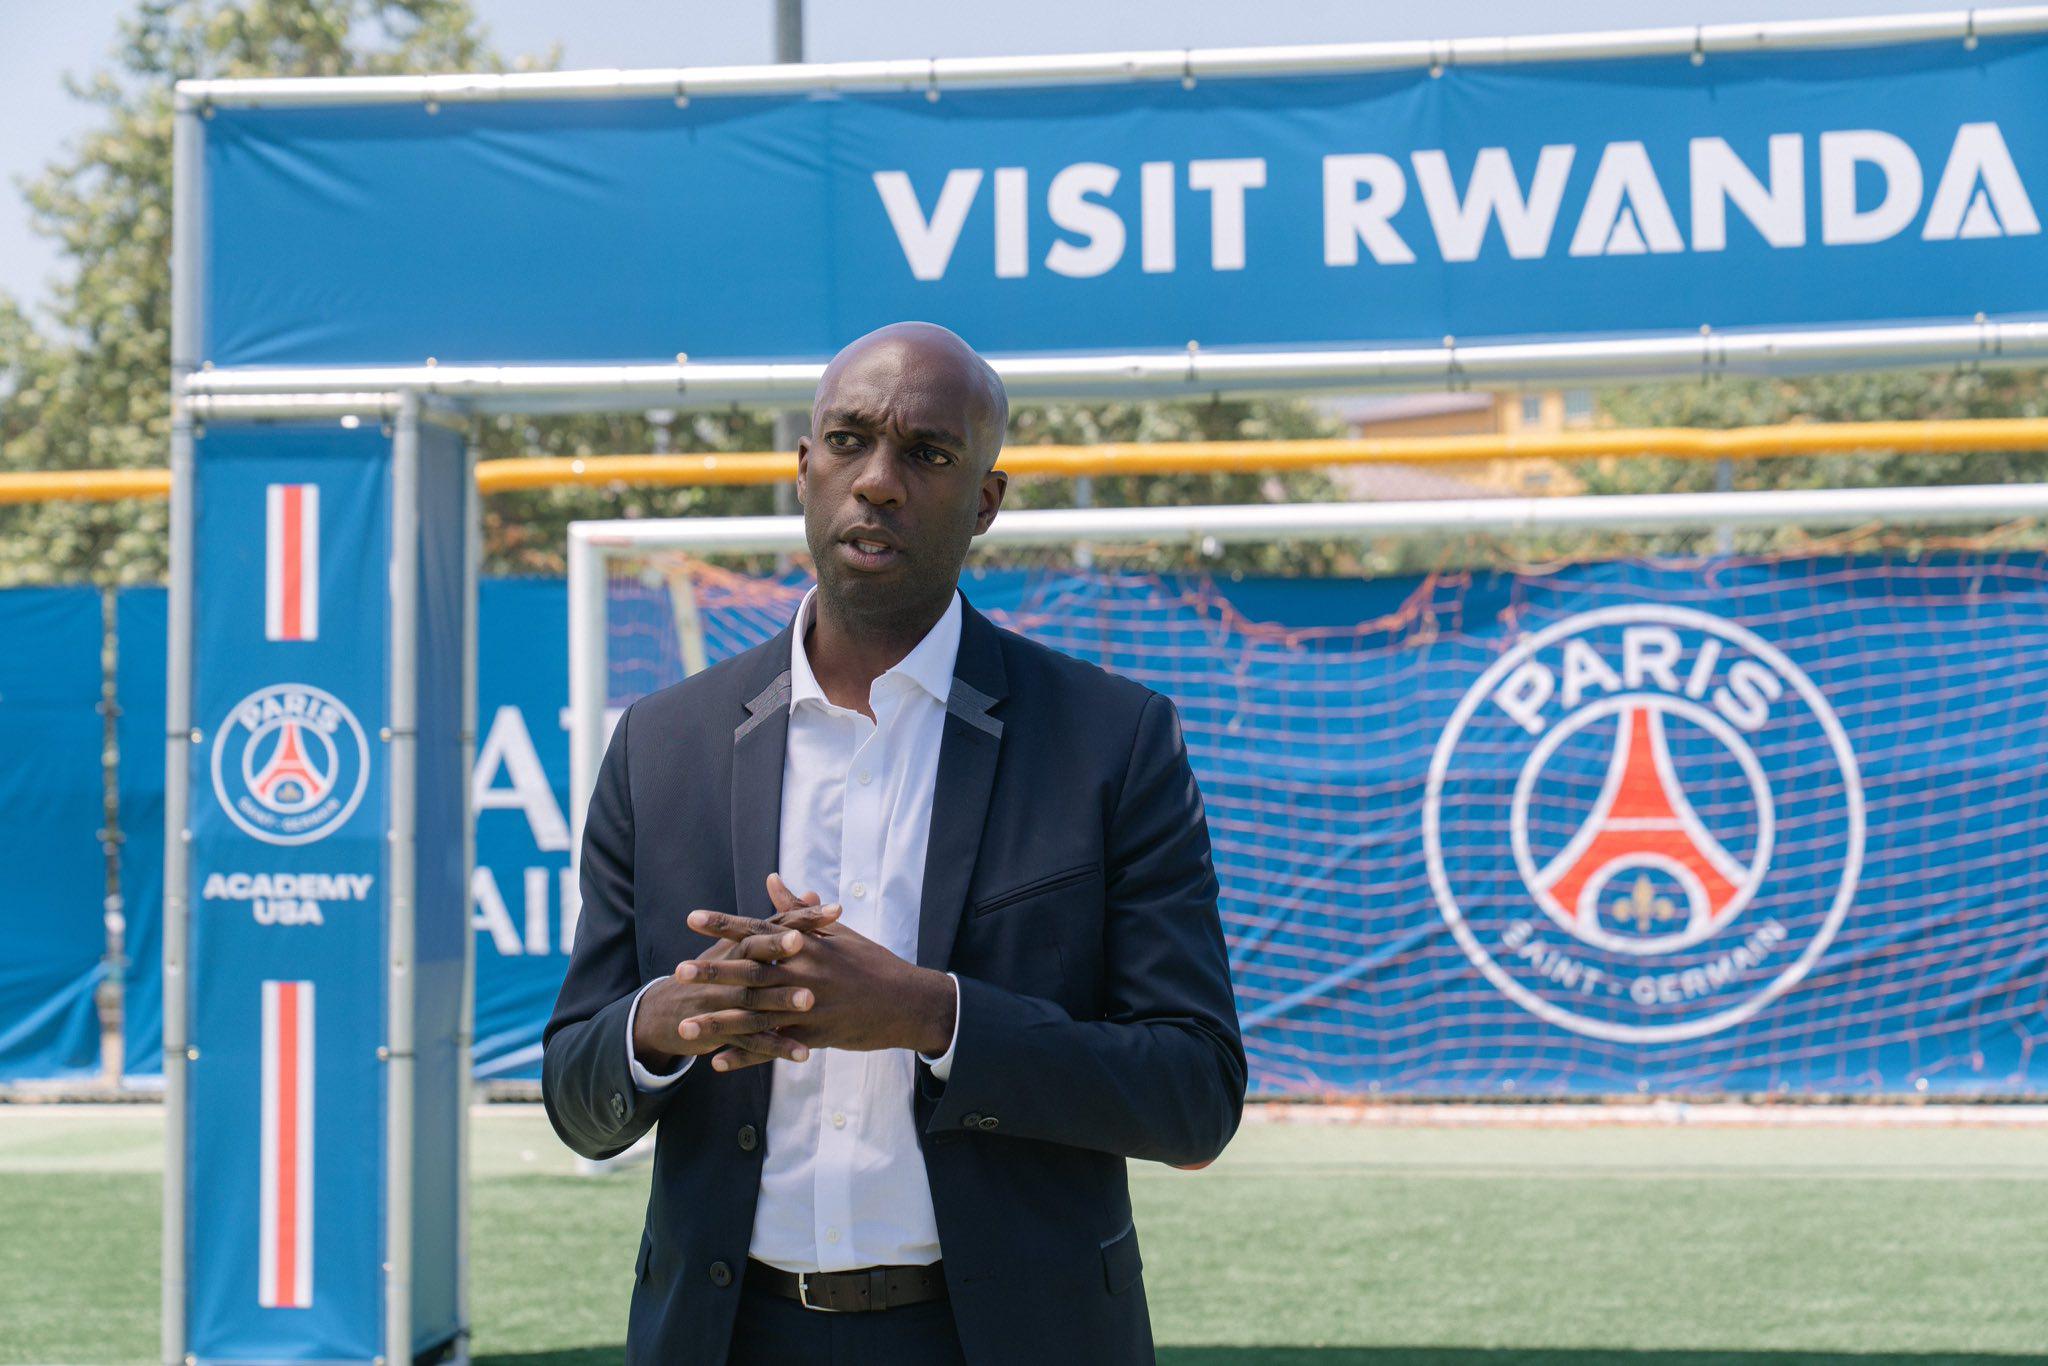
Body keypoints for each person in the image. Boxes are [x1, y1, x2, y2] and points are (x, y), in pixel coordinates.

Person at [541, 321, 1246, 1365]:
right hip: (725, 1335)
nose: (876, 481)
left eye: (926, 453)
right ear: (804, 468)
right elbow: (574, 1092)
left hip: (1011, 1337)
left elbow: (1193, 1093)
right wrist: (662, 1024)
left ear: (986, 501)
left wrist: (928, 1014)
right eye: (847, 441)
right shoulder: (663, 744)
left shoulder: (1110, 739)